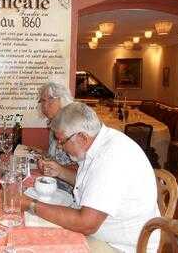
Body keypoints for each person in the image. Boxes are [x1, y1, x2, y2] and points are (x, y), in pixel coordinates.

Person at [22, 102, 160, 253]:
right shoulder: (100, 143)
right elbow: (93, 186)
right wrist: (60, 171)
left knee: (39, 244)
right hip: (106, 236)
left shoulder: (111, 157)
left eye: (62, 141)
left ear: (82, 137)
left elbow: (86, 224)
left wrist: (31, 204)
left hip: (122, 247)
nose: (60, 146)